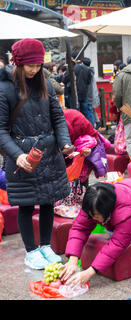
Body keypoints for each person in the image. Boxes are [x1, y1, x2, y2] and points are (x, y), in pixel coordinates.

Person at [0, 38, 74, 270]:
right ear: (18, 63)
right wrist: (15, 154)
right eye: (30, 65)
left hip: (48, 153)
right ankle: (31, 251)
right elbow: (1, 130)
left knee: (48, 201)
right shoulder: (5, 89)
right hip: (23, 156)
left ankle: (45, 246)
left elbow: (58, 117)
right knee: (25, 204)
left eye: (38, 65)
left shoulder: (46, 84)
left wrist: (64, 143)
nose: (34, 70)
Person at [72, 51, 96, 126]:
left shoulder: (75, 68)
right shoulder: (89, 70)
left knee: (78, 113)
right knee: (87, 113)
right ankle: (90, 128)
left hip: (77, 94)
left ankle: (80, 128)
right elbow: (88, 82)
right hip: (85, 94)